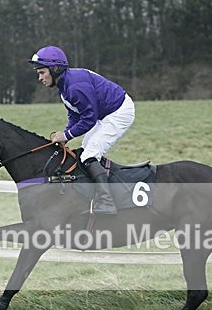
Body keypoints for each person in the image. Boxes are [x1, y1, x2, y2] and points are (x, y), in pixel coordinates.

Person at [29, 45, 135, 215]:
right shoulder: (64, 86)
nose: (39, 77)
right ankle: (94, 195)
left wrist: (66, 135)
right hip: (105, 114)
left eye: (42, 72)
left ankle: (107, 202)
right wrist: (65, 135)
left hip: (119, 112)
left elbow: (89, 119)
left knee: (89, 155)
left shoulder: (74, 88)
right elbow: (75, 116)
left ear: (55, 68)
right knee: (86, 151)